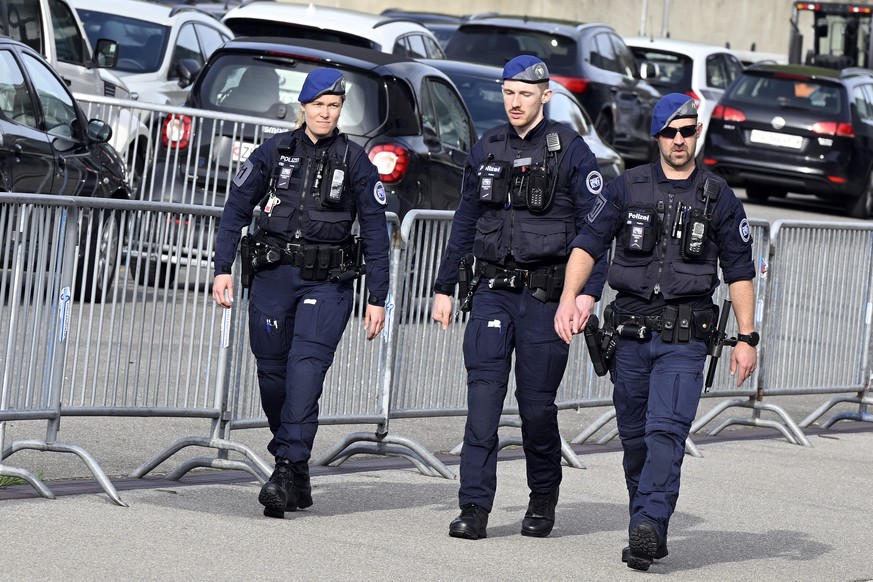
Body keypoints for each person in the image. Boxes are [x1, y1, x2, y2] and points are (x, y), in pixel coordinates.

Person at [554, 93, 758, 570]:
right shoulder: (627, 186)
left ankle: (649, 523)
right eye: (671, 132)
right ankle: (646, 525)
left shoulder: (718, 195)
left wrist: (747, 337)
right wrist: (570, 298)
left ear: (697, 133)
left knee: (666, 431)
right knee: (635, 440)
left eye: (688, 131)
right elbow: (588, 243)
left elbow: (741, 269)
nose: (680, 139)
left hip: (684, 339)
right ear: (658, 137)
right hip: (629, 336)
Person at [431, 55, 606, 540]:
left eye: (525, 94)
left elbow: (598, 229)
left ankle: (543, 495)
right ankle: (474, 506)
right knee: (482, 404)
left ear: (545, 96)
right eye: (508, 93)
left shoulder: (570, 150)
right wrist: (444, 286)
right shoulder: (486, 146)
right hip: (492, 293)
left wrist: (587, 294)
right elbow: (464, 221)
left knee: (535, 408)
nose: (515, 102)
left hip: (547, 299)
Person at [212, 68, 389, 519]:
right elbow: (235, 209)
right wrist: (222, 268)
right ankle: (297, 465)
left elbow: (374, 230)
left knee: (305, 372)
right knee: (273, 376)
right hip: (272, 278)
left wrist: (377, 296)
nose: (326, 113)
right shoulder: (274, 151)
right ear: (303, 108)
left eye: (334, 106)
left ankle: (286, 468)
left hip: (327, 283)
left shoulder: (355, 160)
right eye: (319, 105)